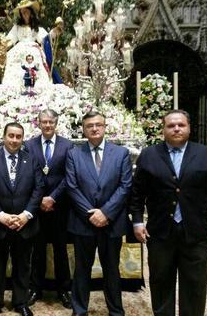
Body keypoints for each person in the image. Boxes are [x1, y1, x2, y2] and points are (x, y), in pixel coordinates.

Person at [129, 109, 207, 316]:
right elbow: (136, 194)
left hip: (195, 232)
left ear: (189, 128)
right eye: (171, 125)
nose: (176, 128)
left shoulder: (206, 154)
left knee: (195, 284)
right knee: (160, 281)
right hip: (159, 233)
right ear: (163, 130)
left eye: (181, 125)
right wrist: (137, 221)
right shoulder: (149, 155)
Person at [65, 111, 132, 316]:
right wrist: (91, 214)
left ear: (105, 127)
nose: (94, 128)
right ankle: (79, 310)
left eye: (98, 125)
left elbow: (125, 185)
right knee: (82, 269)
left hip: (111, 223)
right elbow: (72, 187)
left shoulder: (121, 153)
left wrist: (105, 213)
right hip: (82, 222)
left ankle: (116, 311)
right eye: (89, 126)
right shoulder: (74, 154)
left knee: (111, 269)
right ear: (83, 129)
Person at [0, 122, 45, 316]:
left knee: (23, 265)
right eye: (11, 135)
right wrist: (0, 215)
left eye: (18, 136)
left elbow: (39, 188)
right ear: (4, 136)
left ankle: (20, 302)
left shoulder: (31, 160)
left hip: (25, 224)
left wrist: (26, 215)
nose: (14, 140)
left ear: (22, 138)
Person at [25, 109, 73, 308]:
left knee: (60, 250)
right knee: (37, 250)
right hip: (36, 207)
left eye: (51, 122)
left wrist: (52, 198)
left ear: (56, 123)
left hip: (59, 206)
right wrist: (40, 200)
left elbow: (69, 176)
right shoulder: (29, 145)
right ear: (38, 123)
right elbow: (27, 175)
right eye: (44, 122)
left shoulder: (67, 145)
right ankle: (35, 288)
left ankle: (64, 290)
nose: (47, 125)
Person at [2, 0, 51, 88]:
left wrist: (54, 32)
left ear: (31, 13)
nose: (24, 14)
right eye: (22, 13)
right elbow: (10, 39)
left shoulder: (35, 28)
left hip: (32, 48)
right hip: (19, 48)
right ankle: (13, 84)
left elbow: (45, 39)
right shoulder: (17, 27)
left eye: (26, 12)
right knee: (11, 57)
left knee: (36, 56)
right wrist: (1, 44)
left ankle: (38, 84)